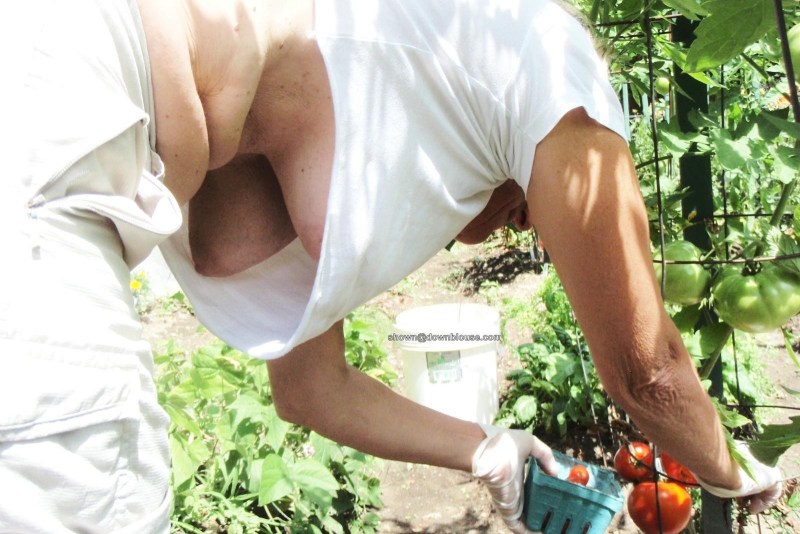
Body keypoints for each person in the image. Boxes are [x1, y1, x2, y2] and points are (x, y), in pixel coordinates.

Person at [1, 2, 781, 534]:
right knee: (90, 492)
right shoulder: (558, 68)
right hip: (55, 111)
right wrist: (735, 471)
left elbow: (312, 391)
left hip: (71, 140)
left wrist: (490, 449)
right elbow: (649, 374)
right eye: (534, 213)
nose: (529, 227)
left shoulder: (392, 74)